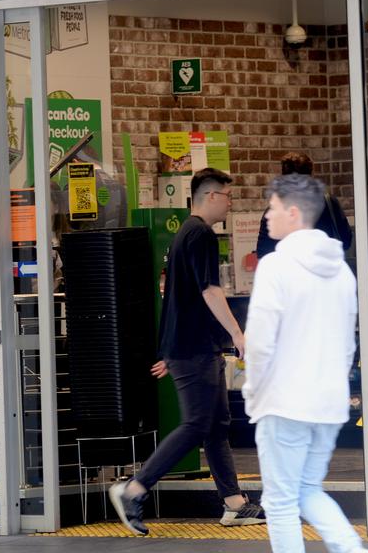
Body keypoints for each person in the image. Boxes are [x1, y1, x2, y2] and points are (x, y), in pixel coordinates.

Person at [109, 168, 265, 536]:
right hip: (194, 349)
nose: (230, 203)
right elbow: (209, 291)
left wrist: (170, 350)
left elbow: (177, 297)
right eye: (227, 196)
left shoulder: (185, 235)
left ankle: (234, 504)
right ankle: (133, 489)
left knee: (216, 425)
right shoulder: (201, 235)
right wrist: (238, 334)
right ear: (211, 196)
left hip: (191, 347)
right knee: (198, 424)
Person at [243, 174, 368, 553]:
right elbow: (349, 344)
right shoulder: (343, 271)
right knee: (308, 490)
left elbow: (261, 342)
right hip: (328, 404)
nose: (267, 215)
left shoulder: (276, 267)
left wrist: (253, 393)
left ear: (294, 212)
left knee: (280, 502)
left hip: (283, 402)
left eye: (274, 207)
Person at [255, 152, 352, 258]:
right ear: (311, 175)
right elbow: (346, 241)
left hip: (289, 272)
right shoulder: (329, 202)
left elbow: (263, 252)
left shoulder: (275, 211)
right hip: (325, 269)